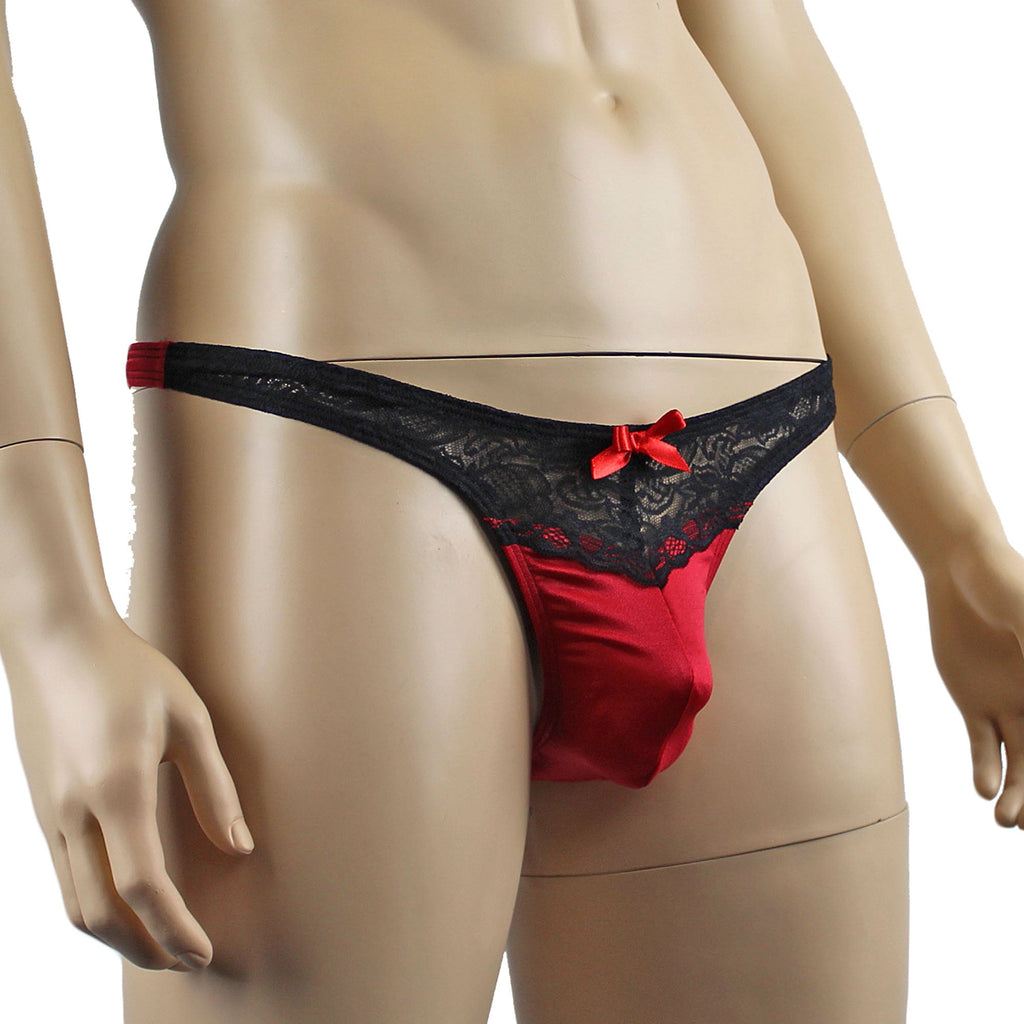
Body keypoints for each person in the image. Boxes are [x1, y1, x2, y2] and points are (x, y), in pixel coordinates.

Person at [1, 2, 1022, 1021]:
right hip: (345, 411)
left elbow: (756, 32)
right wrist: (51, 619)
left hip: (759, 420)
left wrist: (959, 537)